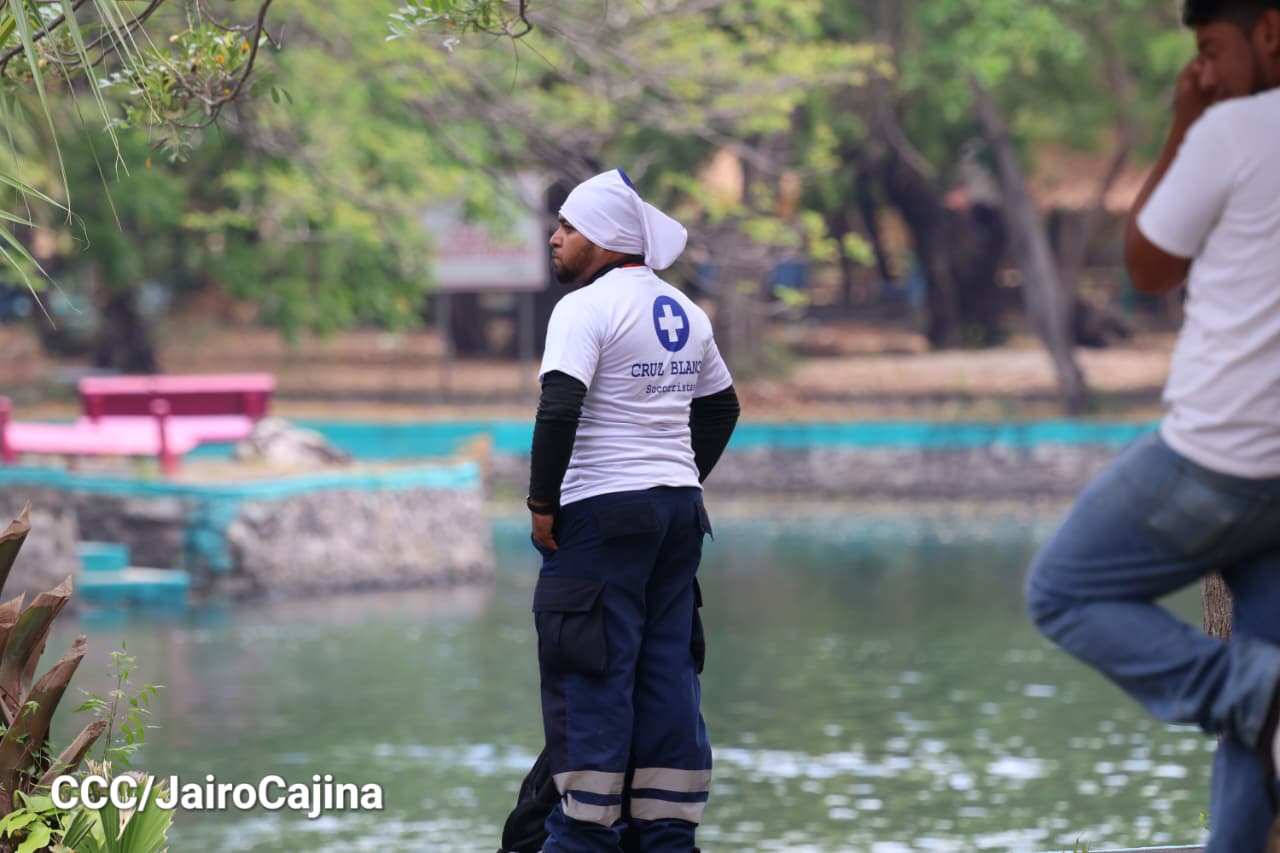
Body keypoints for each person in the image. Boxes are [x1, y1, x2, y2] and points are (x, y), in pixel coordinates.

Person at [1025, 2, 1280, 850]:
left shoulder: (1236, 129)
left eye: (1211, 49)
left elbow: (1146, 264)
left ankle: (1264, 694)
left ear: (1271, 32)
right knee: (1260, 697)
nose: (1202, 70)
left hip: (1222, 454)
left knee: (1063, 587)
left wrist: (1184, 120)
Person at [515, 168, 739, 853]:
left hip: (601, 521)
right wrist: (674, 476)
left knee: (592, 673)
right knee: (665, 671)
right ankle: (667, 832)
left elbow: (559, 405)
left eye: (567, 228)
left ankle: (583, 833)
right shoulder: (684, 311)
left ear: (607, 237)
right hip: (676, 518)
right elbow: (723, 406)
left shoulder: (585, 308)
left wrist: (542, 505)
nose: (554, 239)